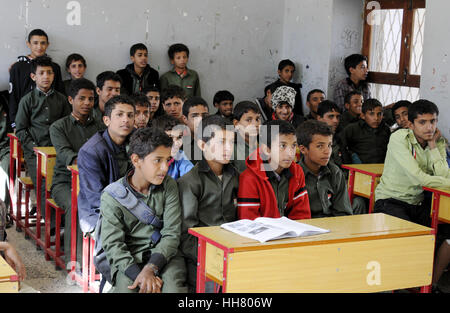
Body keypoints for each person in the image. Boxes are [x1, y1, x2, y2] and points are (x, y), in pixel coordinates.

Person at [99, 127, 187, 293]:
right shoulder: (112, 196)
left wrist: (151, 268)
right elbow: (114, 245)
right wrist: (140, 274)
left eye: (167, 160)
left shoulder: (169, 186)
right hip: (130, 258)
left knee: (174, 289)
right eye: (157, 160)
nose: (165, 168)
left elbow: (171, 233)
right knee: (128, 290)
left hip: (164, 254)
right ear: (136, 160)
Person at [178, 115, 238, 292]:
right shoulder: (190, 182)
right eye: (221, 142)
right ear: (202, 145)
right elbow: (186, 234)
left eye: (231, 142)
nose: (228, 148)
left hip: (231, 251)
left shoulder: (234, 176)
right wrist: (213, 258)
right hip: (200, 256)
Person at [49, 78, 103, 264]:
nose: (87, 103)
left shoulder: (100, 126)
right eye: (82, 98)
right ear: (71, 100)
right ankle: (77, 261)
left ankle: (101, 258)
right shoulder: (58, 127)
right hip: (64, 183)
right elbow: (67, 155)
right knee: (78, 206)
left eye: (91, 99)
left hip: (96, 183)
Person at [374, 99, 450, 226]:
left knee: (446, 229)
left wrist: (432, 145)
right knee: (409, 236)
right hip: (391, 201)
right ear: (410, 125)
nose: (429, 127)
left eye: (433, 121)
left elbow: (443, 175)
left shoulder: (438, 141)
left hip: (418, 203)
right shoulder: (399, 139)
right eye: (422, 122)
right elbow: (420, 179)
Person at [15, 56, 71, 223]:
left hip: (57, 150)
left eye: (49, 73)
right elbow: (20, 130)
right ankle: (51, 223)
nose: (46, 76)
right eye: (41, 73)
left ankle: (66, 219)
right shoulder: (27, 100)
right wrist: (33, 147)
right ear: (34, 77)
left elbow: (67, 124)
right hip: (35, 152)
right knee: (42, 182)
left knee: (63, 179)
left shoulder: (61, 99)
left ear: (54, 75)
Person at [77, 95, 135, 234]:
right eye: (119, 115)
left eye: (130, 115)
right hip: (98, 212)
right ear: (106, 120)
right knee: (119, 236)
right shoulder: (91, 151)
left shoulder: (137, 142)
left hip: (133, 207)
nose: (125, 120)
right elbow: (96, 198)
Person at [237, 120, 311, 220]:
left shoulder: (297, 171)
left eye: (293, 145)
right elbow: (249, 222)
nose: (290, 153)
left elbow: (301, 215)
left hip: (290, 233)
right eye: (282, 146)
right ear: (266, 150)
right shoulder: (249, 178)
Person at [8, 29, 65, 129]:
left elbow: (60, 93)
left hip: (50, 121)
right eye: (35, 43)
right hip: (24, 119)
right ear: (28, 44)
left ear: (48, 44)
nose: (39, 47)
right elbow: (13, 96)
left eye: (43, 43)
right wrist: (14, 122)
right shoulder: (18, 67)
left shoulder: (54, 67)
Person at [297, 120, 353, 218]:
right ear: (303, 149)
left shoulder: (335, 173)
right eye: (320, 146)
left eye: (329, 145)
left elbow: (343, 213)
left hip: (331, 227)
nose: (327, 151)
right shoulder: (294, 175)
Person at [340, 98, 390, 164]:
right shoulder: (352, 129)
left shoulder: (385, 129)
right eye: (371, 114)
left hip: (382, 168)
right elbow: (342, 148)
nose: (376, 118)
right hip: (360, 169)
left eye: (379, 114)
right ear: (363, 116)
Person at [151, 114, 194, 180]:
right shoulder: (147, 159)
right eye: (169, 138)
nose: (176, 143)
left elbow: (192, 175)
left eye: (179, 137)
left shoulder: (180, 156)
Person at [316, 100, 350, 167]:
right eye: (331, 116)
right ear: (319, 118)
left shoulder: (341, 137)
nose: (336, 121)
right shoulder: (312, 139)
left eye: (337, 117)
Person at [231, 101, 261, 173]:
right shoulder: (230, 148)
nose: (255, 124)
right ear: (236, 123)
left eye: (257, 119)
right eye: (249, 120)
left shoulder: (264, 142)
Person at [181, 96, 209, 165]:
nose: (200, 120)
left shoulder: (217, 141)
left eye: (204, 116)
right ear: (185, 119)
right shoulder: (179, 145)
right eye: (194, 116)